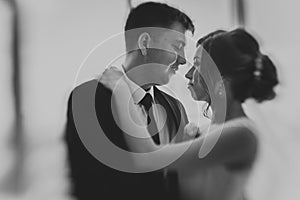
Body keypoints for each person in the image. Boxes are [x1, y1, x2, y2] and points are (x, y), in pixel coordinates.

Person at [99, 28, 279, 200]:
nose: (189, 74)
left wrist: (122, 92)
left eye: (198, 65)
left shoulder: (242, 134)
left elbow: (148, 158)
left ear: (219, 80)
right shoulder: (206, 132)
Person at [64, 2, 194, 200]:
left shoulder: (176, 109)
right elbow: (85, 184)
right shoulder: (86, 100)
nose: (184, 59)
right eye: (178, 46)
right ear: (144, 43)